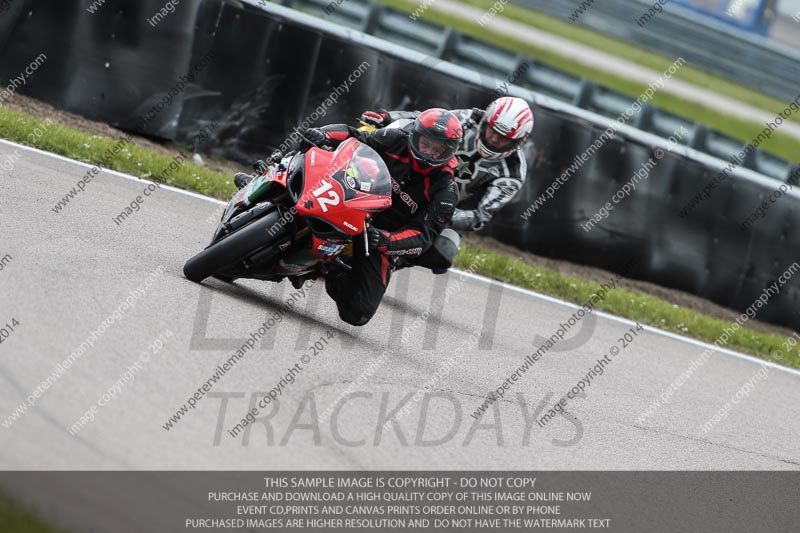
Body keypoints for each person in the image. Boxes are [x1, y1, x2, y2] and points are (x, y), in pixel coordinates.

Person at [239, 108, 462, 326]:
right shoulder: (396, 138)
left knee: (358, 313)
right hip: (351, 199)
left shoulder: (445, 191)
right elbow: (355, 136)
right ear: (416, 135)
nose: (429, 153)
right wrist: (324, 134)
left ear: (449, 151)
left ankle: (333, 269)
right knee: (312, 148)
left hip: (375, 236)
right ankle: (265, 177)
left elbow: (423, 237)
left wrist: (385, 241)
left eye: (438, 149)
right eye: (426, 143)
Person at [360, 96, 534, 232]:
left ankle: (398, 257)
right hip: (414, 181)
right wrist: (389, 117)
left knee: (444, 250)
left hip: (448, 211)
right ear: (485, 121)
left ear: (518, 141)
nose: (494, 139)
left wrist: (439, 215)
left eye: (504, 138)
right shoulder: (468, 118)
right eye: (493, 130)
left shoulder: (514, 172)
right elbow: (425, 121)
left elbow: (481, 215)